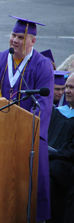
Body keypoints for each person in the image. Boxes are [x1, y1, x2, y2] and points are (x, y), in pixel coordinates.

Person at [0, 15, 54, 222]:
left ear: (32, 41)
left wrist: (20, 131)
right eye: (13, 35)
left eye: (20, 37)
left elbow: (42, 107)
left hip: (27, 141)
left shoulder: (42, 65)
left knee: (26, 193)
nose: (15, 40)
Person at [47, 73, 74, 223]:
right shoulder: (57, 112)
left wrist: (54, 153)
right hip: (52, 159)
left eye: (72, 88)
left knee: (51, 171)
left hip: (66, 164)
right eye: (67, 87)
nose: (67, 91)